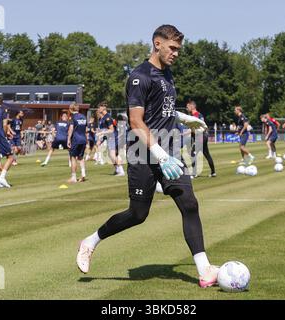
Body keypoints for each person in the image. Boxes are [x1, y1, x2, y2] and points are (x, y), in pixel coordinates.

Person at [76, 25, 219, 288]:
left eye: (178, 49)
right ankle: (90, 241)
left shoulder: (167, 74)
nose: (176, 53)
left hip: (170, 151)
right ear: (157, 43)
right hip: (144, 153)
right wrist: (161, 156)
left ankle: (204, 269)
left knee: (189, 204)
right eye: (172, 48)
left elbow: (162, 109)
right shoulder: (139, 77)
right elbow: (136, 121)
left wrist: (184, 118)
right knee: (137, 214)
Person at [186, 100, 216, 177]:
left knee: (192, 153)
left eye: (188, 106)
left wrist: (184, 133)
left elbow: (194, 129)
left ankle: (194, 173)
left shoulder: (195, 116)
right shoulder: (200, 115)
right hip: (203, 136)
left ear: (192, 106)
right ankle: (213, 172)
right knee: (207, 154)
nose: (187, 108)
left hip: (200, 137)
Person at [96, 102, 125, 176]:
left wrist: (101, 133)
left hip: (113, 137)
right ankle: (117, 170)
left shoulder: (107, 117)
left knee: (112, 155)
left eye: (99, 107)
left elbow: (111, 130)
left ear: (103, 108)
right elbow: (104, 130)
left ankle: (121, 171)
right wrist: (101, 139)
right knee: (110, 155)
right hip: (109, 138)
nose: (98, 109)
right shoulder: (102, 118)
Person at [67, 103, 87, 183]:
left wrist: (68, 139)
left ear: (71, 109)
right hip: (83, 139)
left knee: (73, 157)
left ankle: (73, 178)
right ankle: (83, 174)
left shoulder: (73, 117)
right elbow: (86, 129)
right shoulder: (83, 116)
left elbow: (71, 129)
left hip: (76, 139)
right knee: (81, 158)